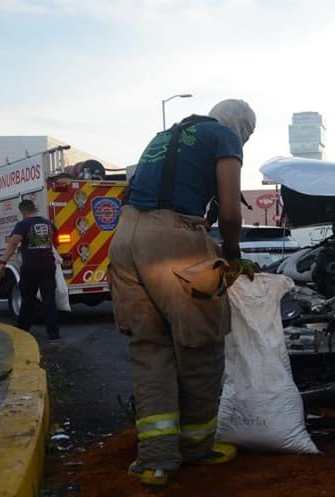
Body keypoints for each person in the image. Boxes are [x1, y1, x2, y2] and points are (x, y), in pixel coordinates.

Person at [108, 99, 256, 486]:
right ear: (240, 126)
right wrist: (233, 255)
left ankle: (155, 461)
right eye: (248, 134)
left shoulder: (164, 135)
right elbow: (229, 213)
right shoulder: (224, 136)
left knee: (150, 347)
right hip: (174, 239)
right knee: (200, 345)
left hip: (124, 240)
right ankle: (196, 448)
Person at [0, 200, 60, 340]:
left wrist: (3, 262)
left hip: (31, 267)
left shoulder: (23, 224)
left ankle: (24, 330)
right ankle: (53, 333)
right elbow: (55, 243)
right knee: (49, 299)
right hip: (49, 266)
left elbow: (13, 243)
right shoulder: (48, 223)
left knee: (28, 299)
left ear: (23, 212)